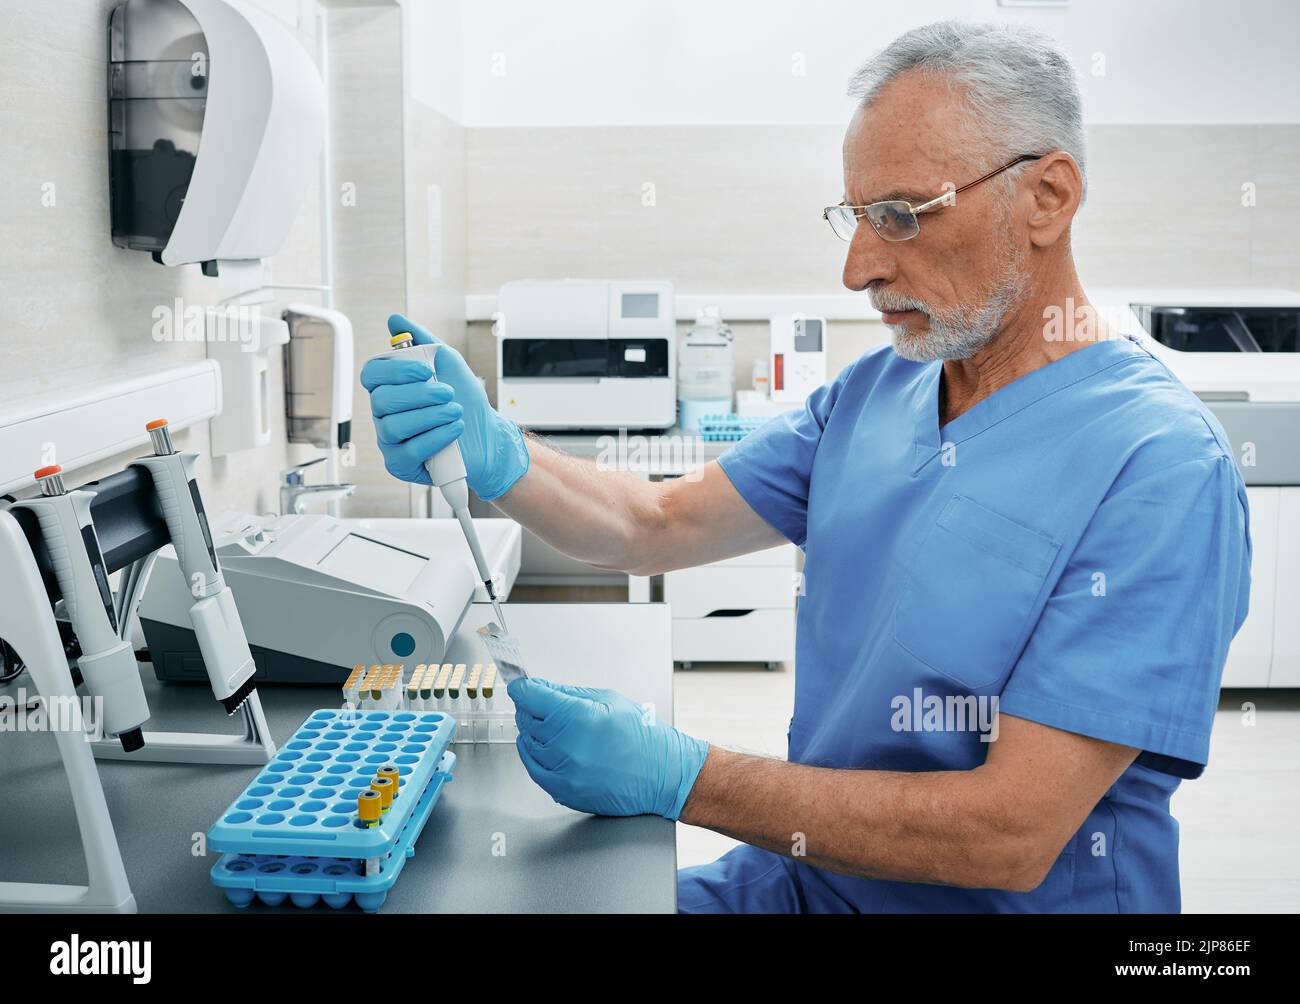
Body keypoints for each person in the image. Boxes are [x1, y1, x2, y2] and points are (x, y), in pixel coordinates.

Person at [359, 21, 1250, 912]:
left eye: (900, 215)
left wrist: (683, 777)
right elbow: (654, 526)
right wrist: (497, 455)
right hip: (806, 884)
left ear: (1047, 197)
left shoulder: (1159, 467)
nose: (858, 267)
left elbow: (1007, 833)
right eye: (856, 217)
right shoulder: (880, 391)